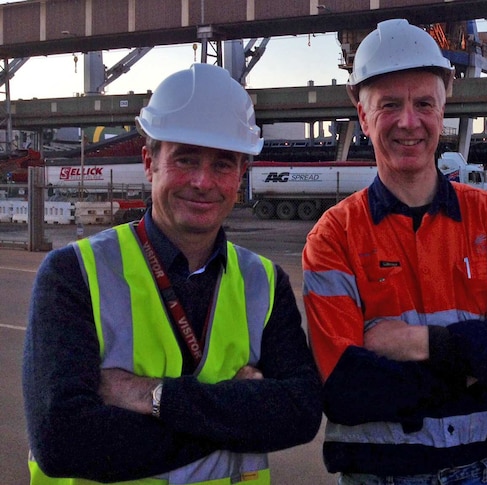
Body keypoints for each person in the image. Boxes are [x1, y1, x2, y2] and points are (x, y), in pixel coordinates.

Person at [302, 19, 487, 485]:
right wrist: (485, 349)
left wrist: (418, 344)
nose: (409, 121)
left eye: (423, 103)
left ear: (443, 106)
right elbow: (348, 390)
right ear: (362, 115)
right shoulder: (334, 238)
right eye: (389, 105)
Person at [23, 63, 322, 485]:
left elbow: (301, 414)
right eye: (186, 158)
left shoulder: (265, 283)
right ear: (150, 161)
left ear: (241, 175)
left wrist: (156, 398)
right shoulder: (74, 275)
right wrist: (238, 412)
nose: (203, 181)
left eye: (222, 164)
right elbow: (63, 441)